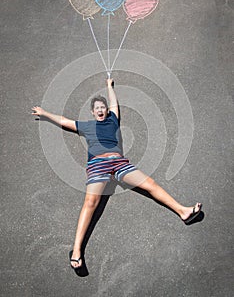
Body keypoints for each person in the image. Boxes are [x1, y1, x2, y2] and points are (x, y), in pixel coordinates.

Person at [31, 78, 202, 271]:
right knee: (91, 203)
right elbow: (64, 121)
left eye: (103, 107)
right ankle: (77, 250)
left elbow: (114, 104)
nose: (101, 110)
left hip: (119, 163)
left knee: (150, 184)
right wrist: (45, 113)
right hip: (98, 165)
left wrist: (109, 86)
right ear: (92, 112)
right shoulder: (86, 126)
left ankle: (184, 212)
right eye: (97, 108)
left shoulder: (113, 119)